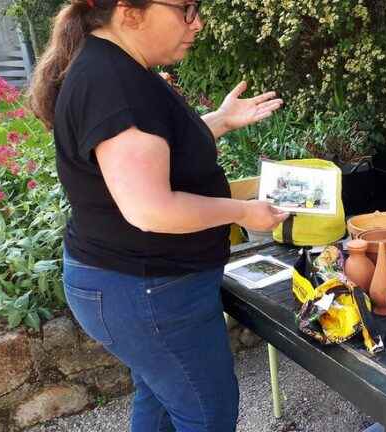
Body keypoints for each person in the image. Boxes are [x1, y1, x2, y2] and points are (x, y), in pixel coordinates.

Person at [28, 1, 288, 430]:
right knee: (207, 414)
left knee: (162, 399)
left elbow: (155, 151)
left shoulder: (115, 66)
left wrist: (219, 121)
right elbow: (151, 208)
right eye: (186, 9)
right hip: (148, 290)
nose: (198, 22)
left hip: (138, 285)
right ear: (130, 12)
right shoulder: (112, 82)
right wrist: (244, 211)